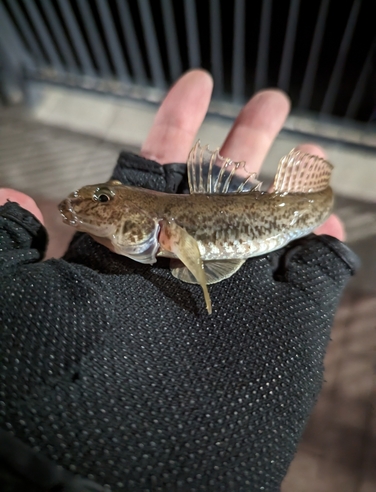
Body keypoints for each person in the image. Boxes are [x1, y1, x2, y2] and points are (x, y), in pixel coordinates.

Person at [0, 70, 357, 491]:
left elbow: (198, 265)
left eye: (105, 201)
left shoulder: (168, 230)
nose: (92, 205)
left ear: (152, 227)